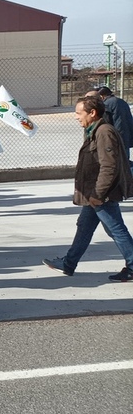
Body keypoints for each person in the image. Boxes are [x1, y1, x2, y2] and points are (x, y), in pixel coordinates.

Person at [42, 96, 133, 282]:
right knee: (84, 227)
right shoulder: (94, 130)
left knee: (115, 229)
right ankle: (68, 264)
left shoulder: (104, 132)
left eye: (78, 113)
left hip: (101, 194)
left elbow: (109, 166)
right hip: (94, 194)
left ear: (92, 113)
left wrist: (99, 194)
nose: (76, 117)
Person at [97, 86, 133, 155]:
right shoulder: (122, 101)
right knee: (125, 159)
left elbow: (106, 122)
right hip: (126, 135)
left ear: (101, 96)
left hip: (114, 137)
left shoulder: (106, 104)